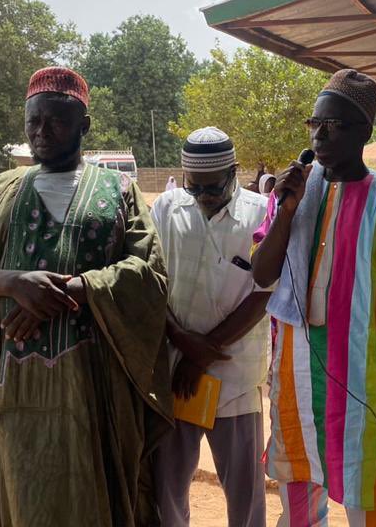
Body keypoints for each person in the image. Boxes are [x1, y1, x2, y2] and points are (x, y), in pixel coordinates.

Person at [0, 67, 172, 526]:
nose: (41, 133)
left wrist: (75, 289)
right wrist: (13, 283)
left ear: (84, 125)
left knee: (94, 494)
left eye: (56, 121)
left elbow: (150, 274)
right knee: (17, 493)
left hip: (93, 386)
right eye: (33, 121)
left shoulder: (119, 191)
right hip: (11, 386)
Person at [250, 69, 376, 526]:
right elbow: (263, 275)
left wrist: (368, 314)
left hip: (363, 383)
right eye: (314, 124)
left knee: (370, 501)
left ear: (365, 132)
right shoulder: (292, 194)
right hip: (293, 379)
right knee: (299, 498)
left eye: (333, 125)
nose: (320, 135)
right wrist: (289, 209)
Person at [150, 127, 271, 527]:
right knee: (166, 482)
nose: (203, 197)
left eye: (213, 188)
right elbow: (150, 282)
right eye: (194, 187)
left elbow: (264, 293)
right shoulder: (167, 209)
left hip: (233, 374)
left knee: (245, 493)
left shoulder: (260, 214)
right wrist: (182, 341)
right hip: (174, 372)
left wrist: (202, 352)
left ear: (234, 172)